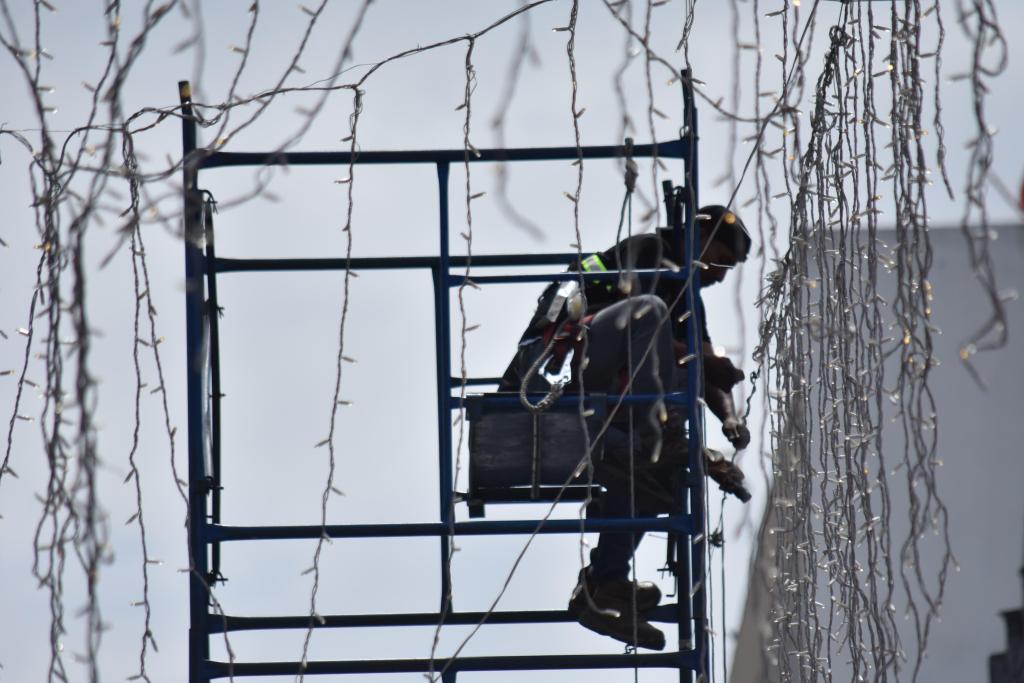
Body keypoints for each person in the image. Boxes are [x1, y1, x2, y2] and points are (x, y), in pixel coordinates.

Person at [498, 204, 752, 650]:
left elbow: (703, 363)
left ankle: (604, 586)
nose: (720, 274)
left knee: (651, 480)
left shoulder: (689, 294)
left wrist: (728, 417)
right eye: (720, 260)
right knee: (650, 311)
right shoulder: (650, 251)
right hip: (597, 359)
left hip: (627, 401)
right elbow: (654, 332)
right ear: (700, 236)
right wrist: (706, 363)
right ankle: (665, 433)